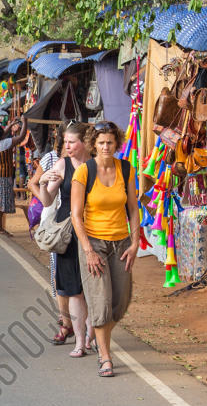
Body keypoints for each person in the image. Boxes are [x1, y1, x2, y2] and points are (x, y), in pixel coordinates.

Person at [70, 122, 142, 379]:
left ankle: (98, 337)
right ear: (93, 145)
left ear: (117, 143)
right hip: (95, 243)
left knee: (119, 303)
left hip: (121, 243)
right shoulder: (84, 172)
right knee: (101, 302)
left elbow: (133, 208)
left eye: (110, 142)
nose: (105, 147)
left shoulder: (126, 169)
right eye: (101, 143)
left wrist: (135, 243)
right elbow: (76, 216)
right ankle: (105, 356)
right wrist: (88, 250)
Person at [37, 121, 94, 356]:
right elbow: (47, 201)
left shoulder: (97, 165)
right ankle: (80, 341)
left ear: (84, 143)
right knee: (73, 290)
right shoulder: (62, 165)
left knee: (94, 288)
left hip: (94, 230)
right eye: (66, 142)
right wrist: (42, 184)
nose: (67, 146)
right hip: (69, 234)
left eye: (72, 142)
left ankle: (92, 336)